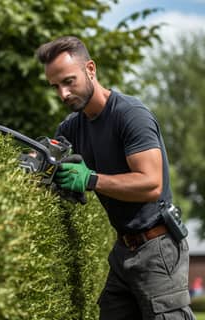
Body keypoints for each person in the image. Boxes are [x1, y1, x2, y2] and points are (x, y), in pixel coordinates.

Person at [36, 36, 195, 320]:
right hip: (123, 250)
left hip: (158, 248)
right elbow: (51, 164)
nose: (63, 94)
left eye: (69, 81)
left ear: (91, 70)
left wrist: (90, 180)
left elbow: (151, 184)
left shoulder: (129, 115)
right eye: (55, 87)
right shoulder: (72, 128)